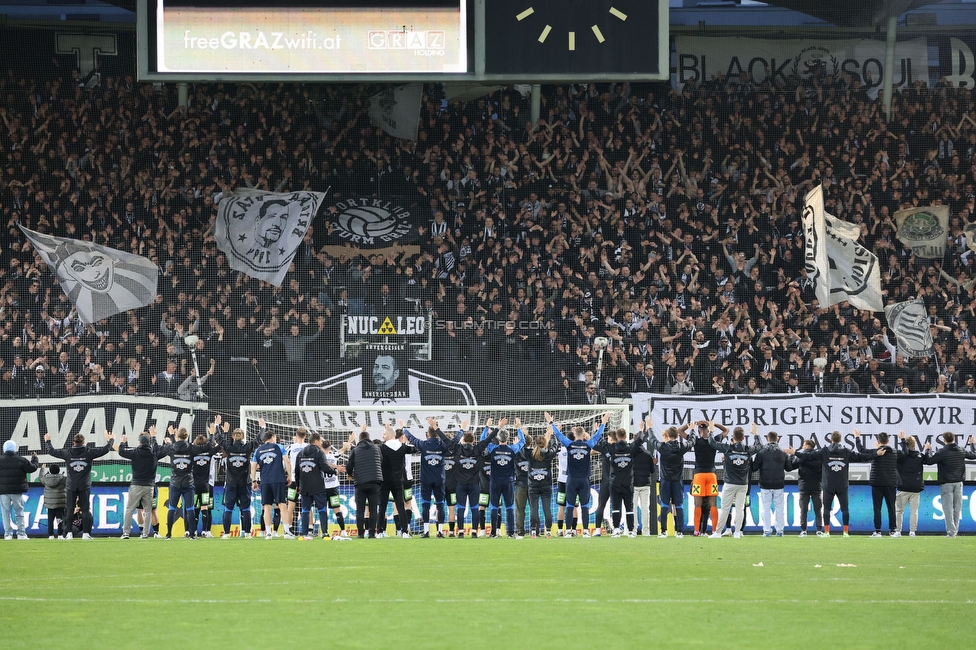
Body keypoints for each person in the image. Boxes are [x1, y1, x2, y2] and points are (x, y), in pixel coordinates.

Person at [794, 429, 882, 537]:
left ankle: (826, 532)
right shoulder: (846, 451)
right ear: (840, 439)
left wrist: (795, 453)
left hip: (828, 485)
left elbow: (808, 456)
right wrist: (876, 454)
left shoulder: (824, 451)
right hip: (842, 484)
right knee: (845, 508)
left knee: (826, 508)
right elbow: (862, 457)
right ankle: (845, 532)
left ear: (831, 439)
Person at [546, 411, 610, 537]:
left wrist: (551, 422)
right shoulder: (588, 445)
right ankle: (585, 531)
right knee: (584, 506)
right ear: (583, 435)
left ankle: (569, 531)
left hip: (571, 480)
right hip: (584, 480)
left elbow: (558, 435)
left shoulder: (569, 444)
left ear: (575, 434)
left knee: (569, 505)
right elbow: (598, 435)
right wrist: (603, 423)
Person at [44, 430, 114, 539]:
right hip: (84, 485)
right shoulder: (89, 452)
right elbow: (105, 449)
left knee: (70, 509)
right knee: (85, 510)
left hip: (71, 485)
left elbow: (52, 451)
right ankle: (86, 534)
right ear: (84, 442)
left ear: (73, 442)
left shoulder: (68, 453)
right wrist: (110, 440)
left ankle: (69, 533)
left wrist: (48, 441)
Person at [437, 420, 495, 538]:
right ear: (473, 440)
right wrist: (495, 427)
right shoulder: (478, 449)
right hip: (474, 484)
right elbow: (488, 439)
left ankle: (461, 532)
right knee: (474, 508)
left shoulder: (457, 449)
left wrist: (436, 428)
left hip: (460, 484)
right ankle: (474, 531)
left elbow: (446, 440)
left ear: (463, 440)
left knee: (461, 508)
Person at [158, 426, 213, 540]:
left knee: (172, 508)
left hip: (175, 483)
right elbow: (207, 447)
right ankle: (192, 534)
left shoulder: (171, 447)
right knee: (190, 508)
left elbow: (158, 448)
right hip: (188, 483)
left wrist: (155, 437)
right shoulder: (191, 448)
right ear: (187, 436)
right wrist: (211, 435)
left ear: (177, 436)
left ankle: (168, 534)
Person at [709, 425, 762, 538]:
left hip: (730, 483)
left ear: (733, 437)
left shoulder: (728, 448)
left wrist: (711, 431)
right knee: (740, 508)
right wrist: (756, 434)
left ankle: (718, 532)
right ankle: (737, 532)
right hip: (743, 484)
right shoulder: (747, 449)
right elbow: (760, 446)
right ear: (743, 438)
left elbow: (712, 443)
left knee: (725, 508)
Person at [215, 415, 263, 538]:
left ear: (233, 437)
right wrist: (263, 427)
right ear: (243, 437)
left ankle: (226, 533)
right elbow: (258, 440)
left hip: (231, 483)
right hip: (244, 483)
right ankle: (247, 533)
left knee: (228, 509)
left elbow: (219, 438)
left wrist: (216, 425)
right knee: (246, 508)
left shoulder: (228, 447)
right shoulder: (247, 448)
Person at [401, 417, 450, 538]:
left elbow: (411, 438)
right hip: (439, 480)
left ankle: (426, 531)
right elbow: (452, 442)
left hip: (426, 480)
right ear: (437, 434)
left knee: (425, 505)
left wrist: (404, 427)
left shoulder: (423, 445)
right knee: (440, 505)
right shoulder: (443, 445)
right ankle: (439, 532)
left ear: (428, 434)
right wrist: (462, 430)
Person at [921, 432, 976, 537]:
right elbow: (974, 455)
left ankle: (951, 532)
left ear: (944, 440)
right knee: (957, 508)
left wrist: (928, 449)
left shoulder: (942, 452)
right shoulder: (961, 450)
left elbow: (929, 461)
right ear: (954, 439)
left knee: (948, 508)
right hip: (959, 483)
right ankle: (954, 530)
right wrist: (972, 444)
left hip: (946, 483)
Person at [646, 423, 696, 538]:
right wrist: (692, 430)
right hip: (677, 481)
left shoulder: (663, 447)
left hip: (665, 480)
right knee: (678, 505)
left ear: (667, 435)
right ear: (677, 436)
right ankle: (679, 531)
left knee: (664, 505)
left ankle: (663, 531)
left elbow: (652, 439)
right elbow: (692, 441)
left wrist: (649, 427)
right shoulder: (681, 447)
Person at [603, 425, 649, 537]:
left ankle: (616, 530)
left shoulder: (612, 448)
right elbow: (639, 440)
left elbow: (600, 442)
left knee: (615, 507)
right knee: (629, 508)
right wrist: (641, 429)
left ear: (616, 436)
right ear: (625, 436)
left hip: (614, 483)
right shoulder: (630, 448)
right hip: (628, 483)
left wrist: (600, 426)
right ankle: (631, 531)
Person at [484, 417, 526, 538]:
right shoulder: (512, 449)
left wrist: (488, 427)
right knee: (509, 507)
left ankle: (493, 533)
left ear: (497, 438)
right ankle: (511, 533)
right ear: (508, 438)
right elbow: (522, 441)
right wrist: (518, 427)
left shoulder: (493, 448)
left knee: (494, 507)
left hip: (495, 482)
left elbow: (483, 440)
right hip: (508, 482)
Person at [685, 419, 728, 536]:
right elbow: (726, 430)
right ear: (708, 430)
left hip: (698, 475)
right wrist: (713, 424)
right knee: (713, 504)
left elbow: (680, 431)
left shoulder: (696, 441)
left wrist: (691, 424)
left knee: (697, 504)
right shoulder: (714, 440)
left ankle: (696, 531)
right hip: (711, 475)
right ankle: (715, 530)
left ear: (699, 431)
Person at [250, 428, 294, 539]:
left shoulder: (258, 450)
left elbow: (253, 466)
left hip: (265, 481)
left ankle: (268, 533)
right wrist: (290, 476)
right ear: (273, 438)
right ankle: (287, 532)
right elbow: (287, 461)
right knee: (282, 505)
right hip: (278, 479)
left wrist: (254, 480)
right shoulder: (278, 447)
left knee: (267, 507)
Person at [116, 428, 160, 539]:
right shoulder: (154, 453)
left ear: (139, 442)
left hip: (136, 484)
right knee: (148, 511)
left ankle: (126, 533)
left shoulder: (135, 452)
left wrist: (123, 442)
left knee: (130, 509)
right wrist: (154, 437)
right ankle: (145, 533)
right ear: (149, 442)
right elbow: (159, 449)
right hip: (149, 486)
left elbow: (121, 452)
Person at [295, 433, 339, 540]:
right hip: (318, 486)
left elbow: (297, 471)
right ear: (315, 441)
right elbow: (324, 467)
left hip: (304, 486)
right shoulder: (319, 452)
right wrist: (335, 471)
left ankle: (304, 533)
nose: (321, 443)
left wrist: (297, 485)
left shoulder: (300, 453)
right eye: (320, 441)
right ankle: (324, 533)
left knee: (305, 510)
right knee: (322, 509)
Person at [856, 432, 898, 537]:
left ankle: (878, 531)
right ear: (888, 441)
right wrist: (902, 440)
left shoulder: (875, 452)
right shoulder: (895, 452)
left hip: (877, 483)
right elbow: (906, 452)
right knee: (891, 507)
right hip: (890, 483)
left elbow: (861, 450)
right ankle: (892, 530)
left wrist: (857, 437)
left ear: (878, 441)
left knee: (877, 507)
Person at [378, 423, 417, 538]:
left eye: (384, 434)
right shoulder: (402, 447)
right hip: (398, 481)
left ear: (389, 435)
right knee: (401, 506)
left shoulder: (382, 448)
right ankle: (405, 531)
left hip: (384, 481)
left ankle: (380, 531)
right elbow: (415, 449)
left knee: (382, 506)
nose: (383, 435)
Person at [345, 425, 384, 539]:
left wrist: (350, 475)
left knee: (360, 510)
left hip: (360, 482)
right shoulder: (377, 449)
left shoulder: (356, 450)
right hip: (375, 482)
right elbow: (381, 461)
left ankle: (361, 533)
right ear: (369, 438)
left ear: (360, 440)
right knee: (373, 509)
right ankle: (372, 533)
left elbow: (349, 465)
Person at [751, 431, 791, 537]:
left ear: (767, 439)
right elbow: (789, 468)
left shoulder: (761, 453)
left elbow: (754, 468)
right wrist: (792, 456)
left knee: (765, 508)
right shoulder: (783, 453)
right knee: (779, 508)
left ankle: (767, 531)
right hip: (779, 484)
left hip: (765, 484)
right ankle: (780, 531)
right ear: (777, 439)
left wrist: (749, 458)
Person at [523, 428, 558, 537]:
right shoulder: (548, 454)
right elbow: (555, 447)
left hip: (533, 485)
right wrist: (552, 435)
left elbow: (522, 447)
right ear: (545, 443)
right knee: (547, 508)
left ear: (535, 443)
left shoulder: (530, 454)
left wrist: (524, 434)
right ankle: (548, 531)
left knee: (534, 508)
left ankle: (533, 530)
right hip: (546, 485)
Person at [0, 441, 38, 540]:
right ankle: (21, 534)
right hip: (17, 490)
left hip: (3, 491)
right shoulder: (20, 460)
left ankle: (8, 534)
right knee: (19, 512)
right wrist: (34, 459)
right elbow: (32, 468)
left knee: (5, 513)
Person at [790, 440, 824, 537]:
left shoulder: (801, 457)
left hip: (804, 486)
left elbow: (792, 465)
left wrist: (792, 455)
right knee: (818, 509)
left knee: (803, 509)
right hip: (816, 486)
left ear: (807, 446)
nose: (803, 446)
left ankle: (803, 530)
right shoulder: (818, 456)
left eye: (804, 445)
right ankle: (819, 530)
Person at [894, 431, 924, 537]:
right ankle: (912, 531)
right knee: (914, 511)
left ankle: (898, 531)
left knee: (899, 511)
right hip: (916, 488)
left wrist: (902, 441)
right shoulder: (920, 456)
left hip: (903, 487)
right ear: (914, 445)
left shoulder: (900, 456)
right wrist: (929, 450)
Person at [632, 418, 657, 536]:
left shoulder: (631, 452)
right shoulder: (648, 454)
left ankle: (633, 530)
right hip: (645, 483)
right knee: (645, 508)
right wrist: (654, 463)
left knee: (633, 508)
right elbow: (652, 470)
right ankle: (646, 531)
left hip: (633, 483)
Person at [191, 433, 219, 537]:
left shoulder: (192, 453)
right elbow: (219, 447)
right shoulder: (210, 453)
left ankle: (193, 531)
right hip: (207, 484)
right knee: (205, 508)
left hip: (194, 484)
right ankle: (205, 531)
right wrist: (213, 440)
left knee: (194, 508)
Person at [284, 428, 310, 536]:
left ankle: (288, 530)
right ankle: (308, 530)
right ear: (305, 436)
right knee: (307, 505)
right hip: (306, 480)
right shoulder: (308, 447)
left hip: (293, 480)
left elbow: (286, 462)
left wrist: (289, 474)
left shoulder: (290, 447)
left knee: (290, 505)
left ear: (296, 435)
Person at [39, 463, 67, 539]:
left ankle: (50, 535)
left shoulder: (45, 479)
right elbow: (71, 479)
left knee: (50, 520)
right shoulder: (63, 479)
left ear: (50, 471)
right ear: (59, 470)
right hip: (60, 503)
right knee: (60, 519)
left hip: (50, 504)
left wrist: (43, 469)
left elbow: (40, 477)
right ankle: (60, 534)